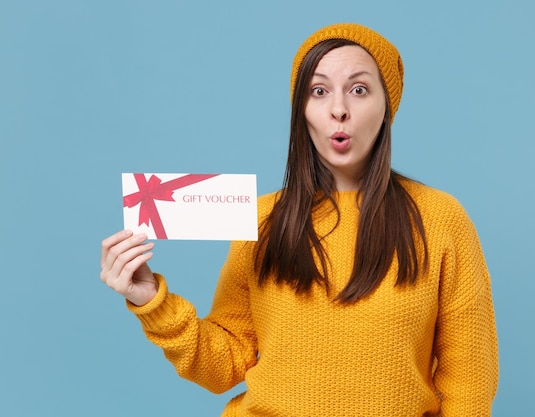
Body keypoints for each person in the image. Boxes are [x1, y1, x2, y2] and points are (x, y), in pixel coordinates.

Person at [101, 23, 498, 416]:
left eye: (359, 90)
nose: (338, 109)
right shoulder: (261, 219)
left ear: (386, 106)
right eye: (318, 91)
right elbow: (225, 364)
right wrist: (152, 300)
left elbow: (469, 383)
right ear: (301, 110)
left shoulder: (441, 219)